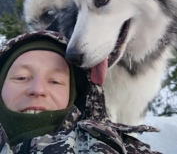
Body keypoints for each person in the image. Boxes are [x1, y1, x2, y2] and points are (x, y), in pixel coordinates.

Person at [0, 30, 161, 154]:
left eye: (55, 81)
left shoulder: (114, 147)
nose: (38, 89)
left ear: (75, 95)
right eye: (21, 78)